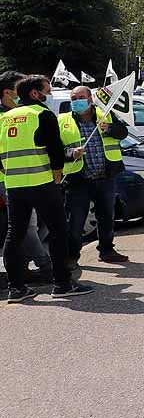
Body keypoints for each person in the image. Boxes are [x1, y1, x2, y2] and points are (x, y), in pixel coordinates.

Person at [1, 75, 92, 300]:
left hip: (14, 184)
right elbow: (54, 151)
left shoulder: (5, 117)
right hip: (42, 183)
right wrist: (57, 177)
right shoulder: (42, 114)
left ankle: (16, 288)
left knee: (14, 235)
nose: (49, 95)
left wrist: (7, 173)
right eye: (47, 91)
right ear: (34, 93)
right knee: (58, 231)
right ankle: (62, 285)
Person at [60, 85, 129, 265]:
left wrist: (110, 129)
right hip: (79, 180)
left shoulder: (105, 115)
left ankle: (107, 250)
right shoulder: (62, 120)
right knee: (75, 221)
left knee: (106, 217)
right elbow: (54, 151)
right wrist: (70, 153)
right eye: (73, 99)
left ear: (90, 99)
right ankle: (71, 256)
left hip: (105, 177)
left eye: (80, 97)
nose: (77, 102)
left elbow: (123, 133)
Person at [0, 70, 54, 287]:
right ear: (6, 93)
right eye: (17, 91)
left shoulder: (19, 114)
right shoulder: (5, 117)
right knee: (25, 228)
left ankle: (21, 276)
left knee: (24, 229)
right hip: (10, 180)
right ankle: (46, 267)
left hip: (22, 179)